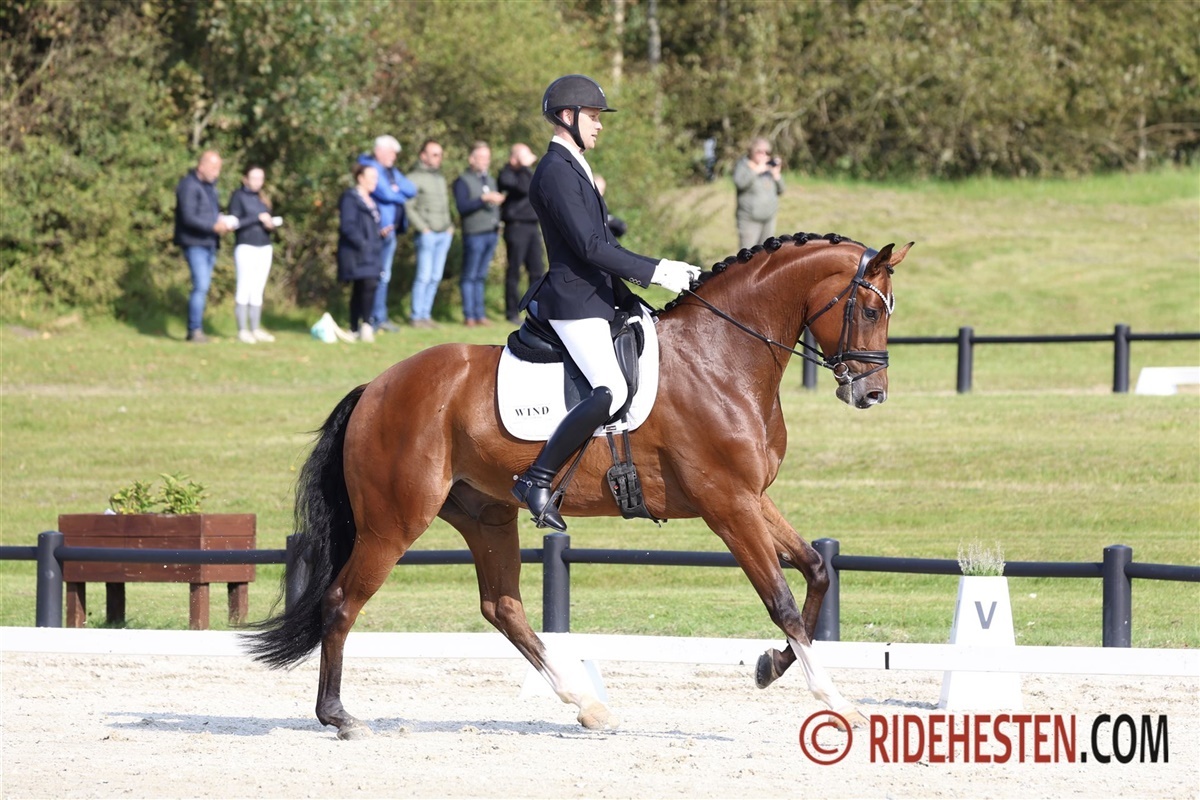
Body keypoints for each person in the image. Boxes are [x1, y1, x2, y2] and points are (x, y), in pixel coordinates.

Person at [511, 74, 701, 532]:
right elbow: (591, 247)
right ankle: (536, 479)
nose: (599, 125)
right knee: (610, 389)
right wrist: (659, 272)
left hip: (600, 294)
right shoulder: (555, 171)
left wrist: (655, 274)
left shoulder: (573, 165)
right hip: (573, 300)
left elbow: (605, 244)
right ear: (567, 116)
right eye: (593, 117)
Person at [357, 135, 417, 332]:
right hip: (378, 230)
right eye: (391, 152)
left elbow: (411, 189)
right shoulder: (370, 168)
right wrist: (396, 192)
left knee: (384, 275)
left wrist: (395, 190)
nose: (394, 156)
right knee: (375, 275)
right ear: (379, 151)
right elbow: (385, 193)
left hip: (391, 231)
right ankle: (371, 319)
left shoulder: (390, 171)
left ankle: (380, 317)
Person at [173, 150, 230, 343]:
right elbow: (188, 217)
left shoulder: (210, 188)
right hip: (194, 243)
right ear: (202, 165)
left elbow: (208, 214)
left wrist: (221, 222)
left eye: (219, 168)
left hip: (209, 243)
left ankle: (196, 328)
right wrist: (213, 226)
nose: (217, 173)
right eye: (214, 168)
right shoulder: (189, 186)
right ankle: (194, 330)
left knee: (203, 287)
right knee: (201, 285)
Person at [452, 141, 504, 327]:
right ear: (471, 159)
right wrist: (483, 199)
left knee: (481, 275)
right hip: (474, 233)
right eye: (481, 157)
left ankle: (480, 314)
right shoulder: (462, 181)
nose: (485, 161)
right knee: (470, 275)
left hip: (491, 232)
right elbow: (462, 207)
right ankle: (469, 316)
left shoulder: (490, 179)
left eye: (487, 158)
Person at [404, 139, 454, 329]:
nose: (438, 158)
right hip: (427, 234)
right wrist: (422, 228)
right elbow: (408, 207)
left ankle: (426, 315)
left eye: (440, 154)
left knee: (435, 277)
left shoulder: (439, 177)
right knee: (424, 276)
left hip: (444, 234)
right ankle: (416, 316)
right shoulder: (413, 178)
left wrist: (449, 227)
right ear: (423, 156)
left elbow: (444, 206)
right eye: (434, 154)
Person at [227, 165, 280, 344]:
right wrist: (256, 218)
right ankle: (242, 330)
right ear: (246, 179)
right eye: (254, 178)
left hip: (264, 246)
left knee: (257, 289)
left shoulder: (262, 198)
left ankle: (255, 328)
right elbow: (234, 222)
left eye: (261, 178)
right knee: (244, 288)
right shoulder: (238, 196)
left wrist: (269, 224)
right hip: (246, 246)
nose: (258, 182)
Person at [336, 163, 384, 342]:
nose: (375, 181)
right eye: (372, 177)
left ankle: (360, 326)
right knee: (364, 285)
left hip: (372, 251)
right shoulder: (350, 198)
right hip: (356, 253)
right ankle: (361, 326)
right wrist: (364, 244)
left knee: (366, 286)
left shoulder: (372, 200)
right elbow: (347, 226)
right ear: (360, 178)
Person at [498, 142, 544, 325]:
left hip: (532, 226)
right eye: (524, 156)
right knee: (514, 270)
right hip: (516, 226)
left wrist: (526, 168)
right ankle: (511, 312)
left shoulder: (528, 173)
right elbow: (524, 188)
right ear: (514, 157)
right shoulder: (507, 174)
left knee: (537, 270)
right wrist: (524, 167)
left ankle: (536, 310)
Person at [733, 137, 784, 250]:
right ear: (752, 151)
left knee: (766, 252)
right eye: (759, 151)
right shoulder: (743, 165)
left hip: (769, 218)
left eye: (767, 152)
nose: (763, 155)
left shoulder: (768, 168)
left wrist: (776, 175)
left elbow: (781, 190)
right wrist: (756, 170)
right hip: (749, 220)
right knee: (748, 254)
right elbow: (740, 183)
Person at [592, 174, 627, 239]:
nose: (600, 191)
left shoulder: (602, 204)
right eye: (598, 187)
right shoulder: (585, 201)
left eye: (602, 189)